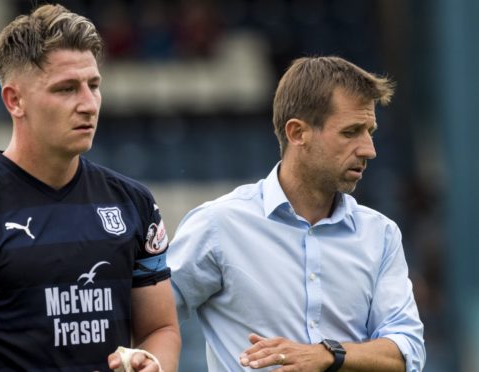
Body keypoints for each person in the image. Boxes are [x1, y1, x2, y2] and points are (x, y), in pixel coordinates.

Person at [0, 4, 180, 372]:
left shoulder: (134, 204)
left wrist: (153, 362)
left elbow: (160, 328)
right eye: (66, 89)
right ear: (14, 100)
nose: (88, 104)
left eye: (93, 85)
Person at [167, 56, 426, 371]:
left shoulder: (381, 235)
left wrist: (328, 355)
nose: (368, 149)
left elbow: (407, 351)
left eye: (369, 131)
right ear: (297, 132)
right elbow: (148, 318)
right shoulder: (218, 226)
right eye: (351, 132)